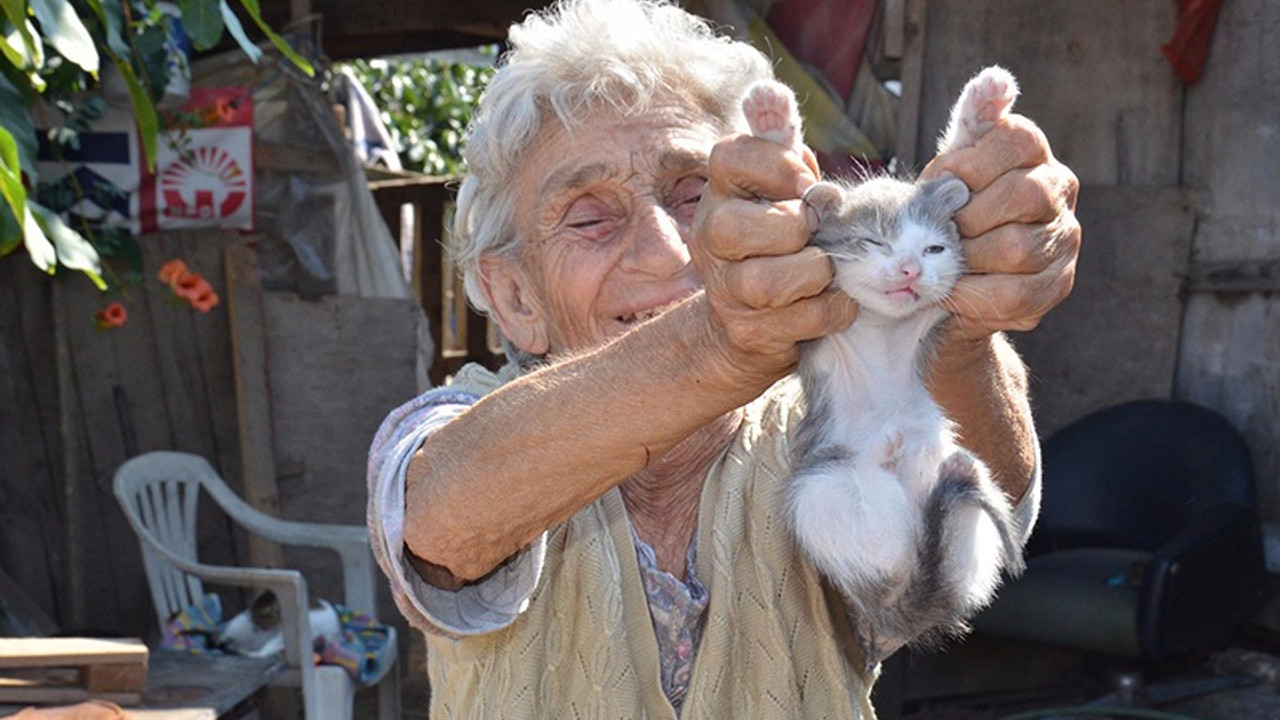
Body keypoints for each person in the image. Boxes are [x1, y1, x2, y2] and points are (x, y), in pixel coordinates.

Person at [366, 0, 1080, 716]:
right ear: (514, 295)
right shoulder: (463, 426)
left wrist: (955, 316)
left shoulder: (816, 420)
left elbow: (992, 505)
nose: (668, 250)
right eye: (590, 218)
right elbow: (436, 522)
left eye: (695, 196)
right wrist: (714, 343)